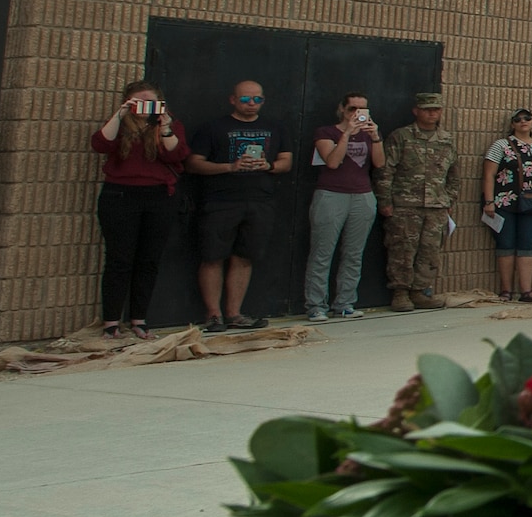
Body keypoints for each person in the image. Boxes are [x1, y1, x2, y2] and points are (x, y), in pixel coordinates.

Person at [187, 79, 292, 332]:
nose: (252, 104)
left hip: (260, 200)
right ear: (233, 100)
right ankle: (214, 314)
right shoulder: (213, 128)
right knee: (213, 256)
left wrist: (268, 166)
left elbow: (286, 161)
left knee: (244, 257)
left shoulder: (274, 127)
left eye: (258, 99)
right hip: (221, 200)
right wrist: (229, 167)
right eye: (246, 99)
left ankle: (234, 313)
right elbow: (193, 163)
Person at [89, 79, 187, 339]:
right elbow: (100, 144)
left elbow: (177, 155)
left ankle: (139, 318)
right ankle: (111, 320)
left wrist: (165, 127)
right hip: (120, 195)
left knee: (149, 260)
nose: (146, 106)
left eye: (151, 101)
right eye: (140, 101)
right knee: (119, 260)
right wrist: (121, 114)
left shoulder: (168, 125)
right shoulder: (121, 125)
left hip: (159, 197)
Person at [304, 91, 383, 322]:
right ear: (342, 109)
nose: (357, 114)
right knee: (322, 251)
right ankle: (316, 304)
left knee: (354, 253)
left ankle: (345, 302)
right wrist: (347, 133)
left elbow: (380, 163)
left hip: (362, 195)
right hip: (331, 194)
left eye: (362, 109)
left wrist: (376, 137)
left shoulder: (369, 134)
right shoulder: (326, 132)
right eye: (352, 109)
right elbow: (332, 161)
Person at [379, 92, 459, 311]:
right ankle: (401, 292)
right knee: (402, 249)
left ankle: (419, 291)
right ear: (416, 111)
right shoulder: (401, 137)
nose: (432, 113)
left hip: (436, 206)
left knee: (430, 251)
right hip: (405, 204)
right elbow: (386, 171)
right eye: (427, 109)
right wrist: (384, 200)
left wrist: (450, 198)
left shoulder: (446, 139)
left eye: (436, 109)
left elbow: (454, 173)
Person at [481, 108, 532, 302]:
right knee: (505, 244)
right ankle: (506, 290)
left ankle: (526, 290)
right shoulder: (501, 145)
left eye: (527, 118)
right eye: (518, 119)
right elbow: (488, 174)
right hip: (504, 201)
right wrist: (489, 201)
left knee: (527, 245)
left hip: (530, 203)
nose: (523, 122)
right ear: (512, 124)